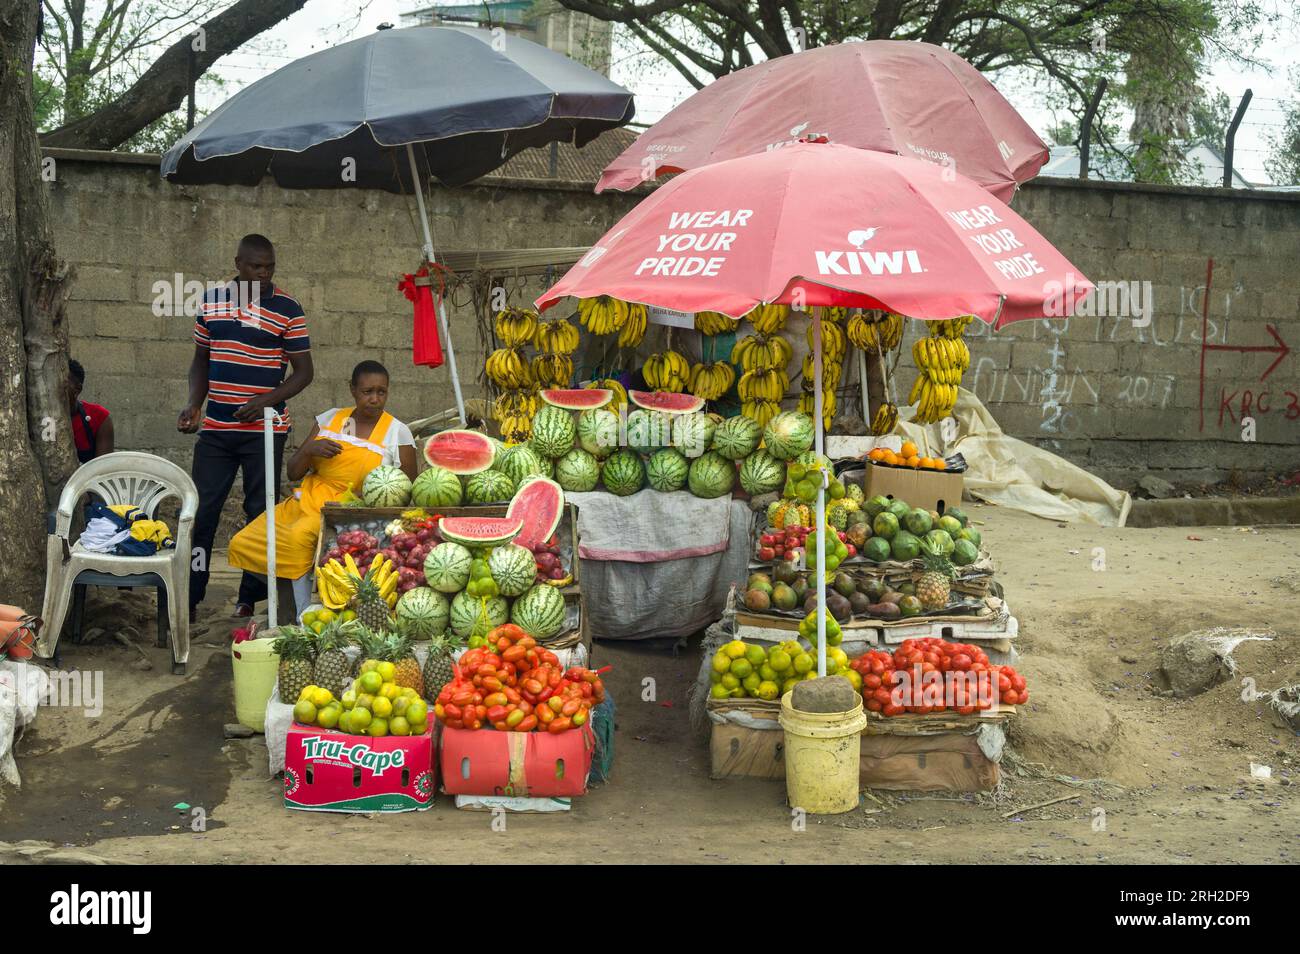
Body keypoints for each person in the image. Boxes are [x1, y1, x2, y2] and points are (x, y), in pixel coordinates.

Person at [179, 234, 314, 621]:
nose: (264, 274)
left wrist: (263, 402)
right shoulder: (212, 302)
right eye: (256, 266)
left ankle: (248, 598)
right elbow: (200, 361)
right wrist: (193, 403)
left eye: (270, 266)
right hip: (217, 429)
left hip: (266, 430)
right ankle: (190, 596)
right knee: (203, 512)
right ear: (238, 263)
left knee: (261, 514)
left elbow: (304, 373)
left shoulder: (287, 308)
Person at [227, 361, 417, 615]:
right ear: (352, 390)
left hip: (347, 509)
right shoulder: (331, 419)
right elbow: (293, 472)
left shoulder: (397, 432)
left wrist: (371, 499)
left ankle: (303, 612)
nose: (374, 399)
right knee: (242, 542)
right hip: (305, 498)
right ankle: (295, 588)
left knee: (298, 539)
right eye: (367, 391)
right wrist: (310, 450)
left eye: (381, 392)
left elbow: (408, 488)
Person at [68, 359, 114, 463]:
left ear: (77, 389)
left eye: (62, 384)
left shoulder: (99, 417)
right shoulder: (37, 418)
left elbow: (102, 468)